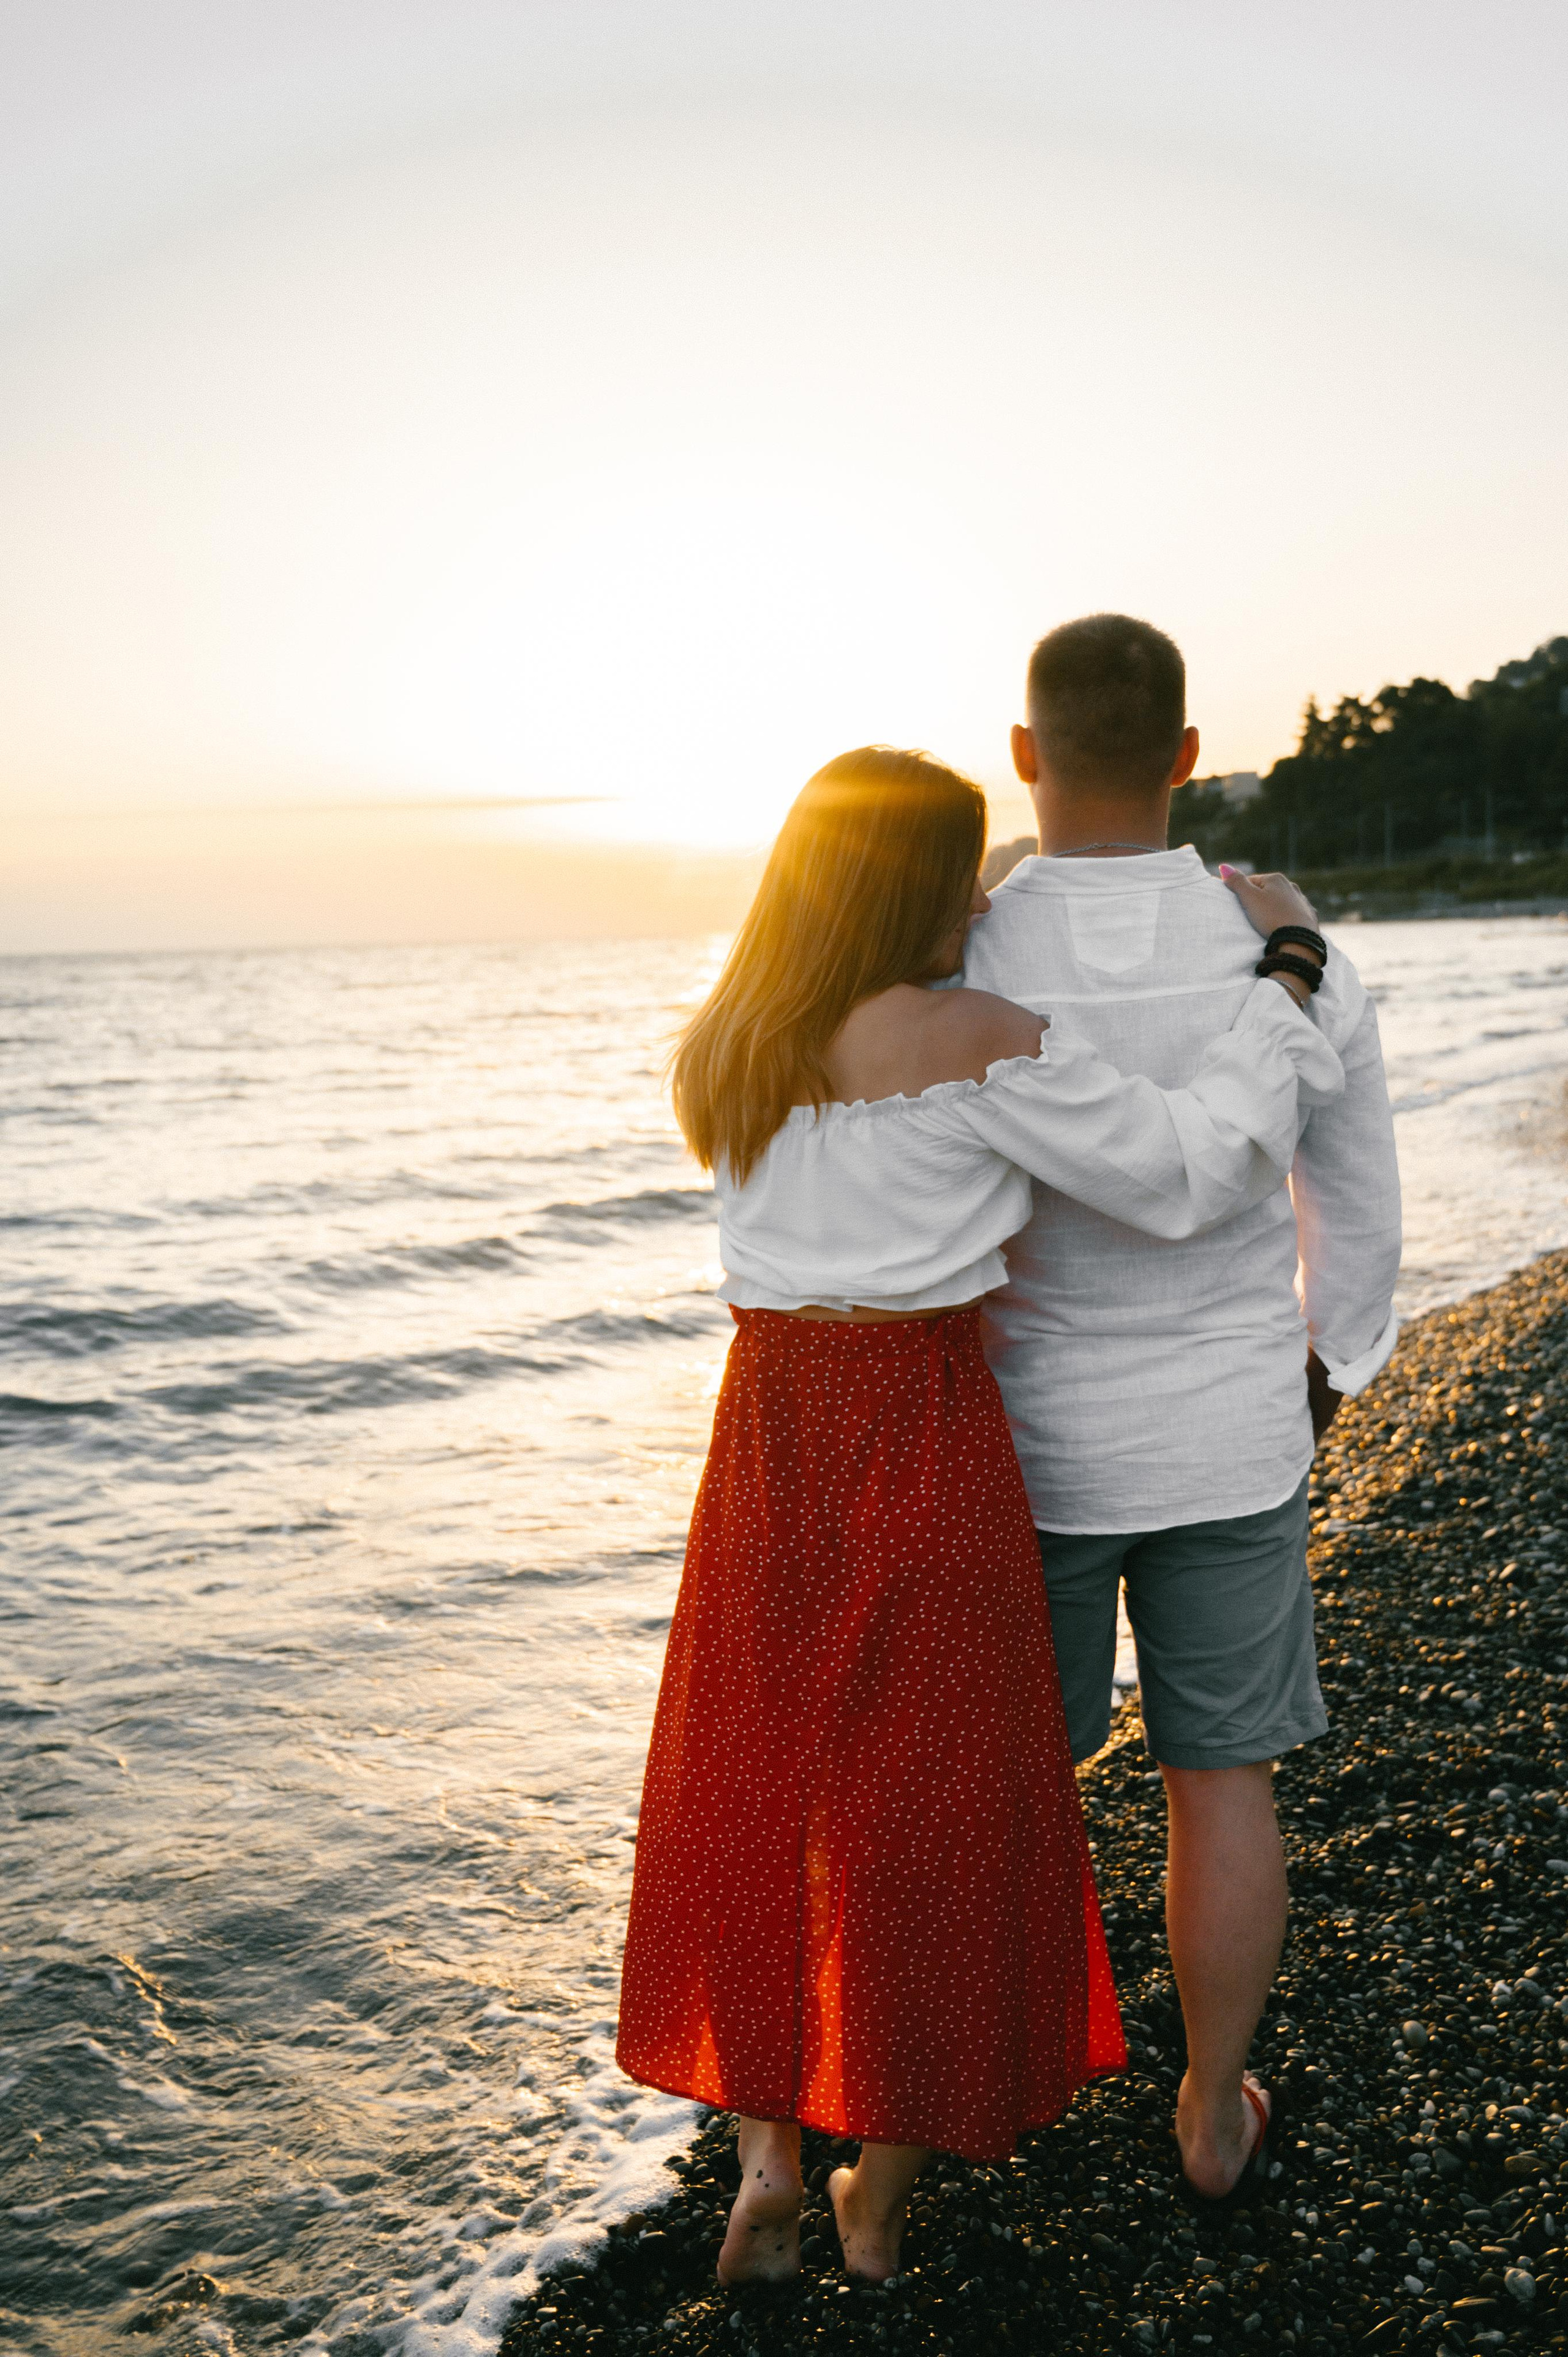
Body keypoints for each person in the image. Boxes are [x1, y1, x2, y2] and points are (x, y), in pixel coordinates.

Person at [614, 743, 1343, 2283]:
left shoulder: (729, 1044)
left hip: (761, 1450)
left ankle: (763, 2158)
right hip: (917, 1441)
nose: (982, 894)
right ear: (915, 890)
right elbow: (1190, 1169)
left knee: (766, 1795)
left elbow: (898, 937)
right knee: (925, 1813)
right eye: (966, 872)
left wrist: (992, 876)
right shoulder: (977, 1037)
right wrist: (1282, 973)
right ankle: (872, 2200)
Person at [962, 615, 1402, 2203]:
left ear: (1023, 757)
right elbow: (1355, 1198)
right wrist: (1328, 1370)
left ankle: (979, 2093)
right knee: (1224, 1782)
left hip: (1027, 1441)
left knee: (1019, 1783)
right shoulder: (1284, 946)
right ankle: (1213, 2110)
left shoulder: (972, 950)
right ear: (1190, 755)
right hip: (1232, 1428)